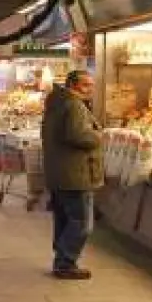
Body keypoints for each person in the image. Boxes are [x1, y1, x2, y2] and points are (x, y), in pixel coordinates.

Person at [41, 70, 103, 280]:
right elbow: (77, 135)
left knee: (64, 218)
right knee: (81, 222)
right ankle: (66, 263)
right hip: (75, 174)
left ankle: (61, 259)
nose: (91, 89)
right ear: (75, 85)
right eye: (87, 85)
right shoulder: (74, 105)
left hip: (59, 173)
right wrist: (99, 136)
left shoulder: (56, 103)